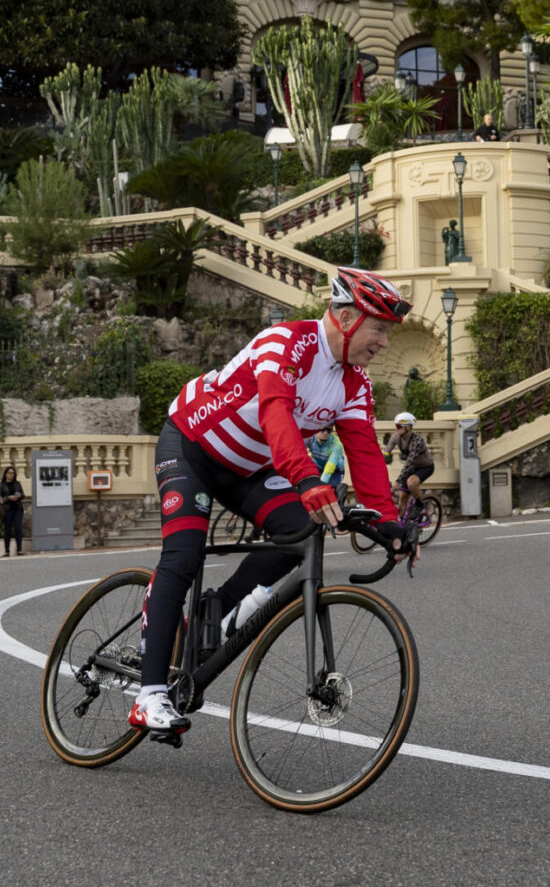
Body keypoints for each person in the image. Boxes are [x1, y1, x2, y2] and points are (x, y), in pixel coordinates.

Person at [133, 267, 418, 735]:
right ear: (345, 318)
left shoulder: (355, 383)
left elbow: (365, 452)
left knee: (296, 536)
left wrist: (388, 523)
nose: (384, 342)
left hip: (252, 468)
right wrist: (307, 480)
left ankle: (213, 617)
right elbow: (275, 412)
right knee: (182, 555)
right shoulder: (284, 342)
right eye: (380, 329)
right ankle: (149, 694)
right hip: (193, 449)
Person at [383, 412, 435, 507]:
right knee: (402, 498)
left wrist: (398, 482)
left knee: (411, 483)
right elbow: (386, 451)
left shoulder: (417, 441)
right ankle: (403, 521)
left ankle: (419, 505)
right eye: (396, 425)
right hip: (413, 467)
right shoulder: (396, 437)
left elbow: (409, 463)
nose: (396, 428)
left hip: (426, 467)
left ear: (408, 427)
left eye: (399, 426)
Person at [306, 422, 348, 503]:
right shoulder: (309, 438)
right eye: (323, 429)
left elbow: (329, 470)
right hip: (319, 467)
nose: (325, 433)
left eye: (329, 430)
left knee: (327, 492)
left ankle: (339, 498)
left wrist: (319, 488)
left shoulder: (336, 444)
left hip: (335, 471)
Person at [0, 466, 26, 556]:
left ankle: (19, 549)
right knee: (7, 530)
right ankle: (7, 550)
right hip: (7, 510)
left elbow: (23, 495)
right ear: (5, 474)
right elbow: (0, 499)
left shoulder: (17, 484)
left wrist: (19, 496)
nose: (11, 475)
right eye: (9, 473)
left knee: (18, 528)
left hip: (17, 508)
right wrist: (8, 498)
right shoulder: (1, 485)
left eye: (13, 473)